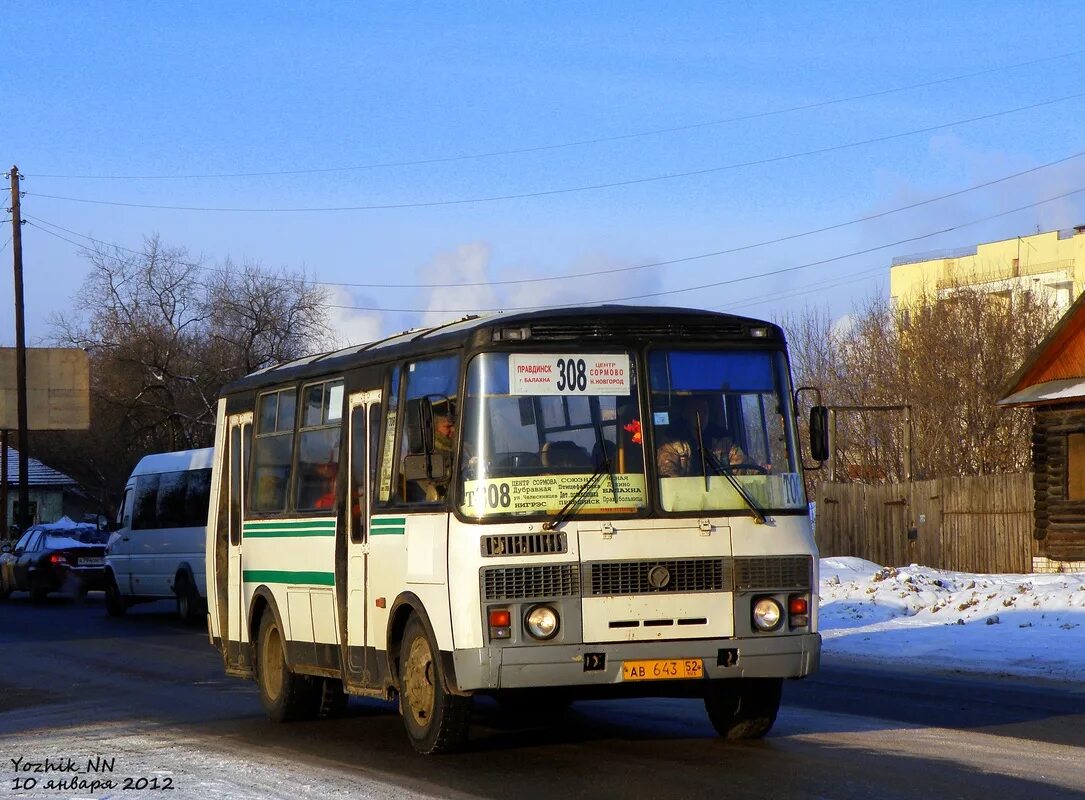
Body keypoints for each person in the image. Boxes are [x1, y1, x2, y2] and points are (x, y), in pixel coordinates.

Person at [656, 396, 750, 478]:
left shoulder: (723, 442)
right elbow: (669, 479)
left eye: (705, 411)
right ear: (685, 414)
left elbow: (744, 468)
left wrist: (760, 473)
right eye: (697, 411)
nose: (702, 415)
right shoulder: (671, 445)